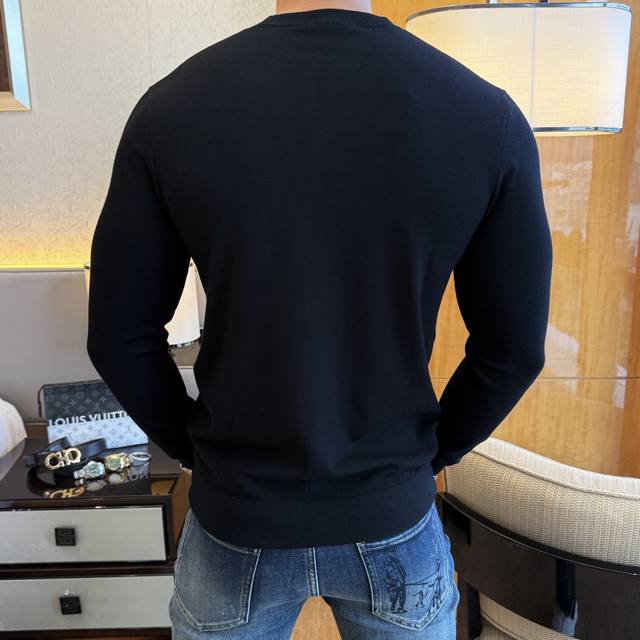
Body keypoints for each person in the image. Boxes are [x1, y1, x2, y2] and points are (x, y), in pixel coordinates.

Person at [86, 0, 553, 637]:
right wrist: (424, 458)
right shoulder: (486, 115)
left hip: (236, 515)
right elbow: (515, 349)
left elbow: (118, 337)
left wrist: (198, 452)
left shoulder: (170, 109)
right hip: (393, 515)